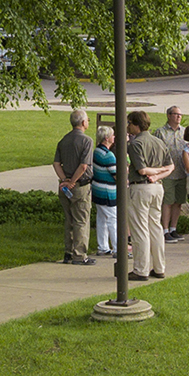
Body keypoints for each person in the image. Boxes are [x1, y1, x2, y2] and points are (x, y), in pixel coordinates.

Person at [126, 111, 173, 280]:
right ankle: (159, 267)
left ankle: (141, 269)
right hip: (157, 187)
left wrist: (155, 172)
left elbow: (141, 170)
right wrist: (160, 173)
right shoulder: (158, 142)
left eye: (130, 123)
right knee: (155, 227)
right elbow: (170, 166)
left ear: (136, 124)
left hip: (140, 188)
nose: (128, 126)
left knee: (140, 229)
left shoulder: (136, 143)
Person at [52, 109, 95, 265]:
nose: (88, 122)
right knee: (81, 220)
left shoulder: (63, 141)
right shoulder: (87, 141)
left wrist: (64, 179)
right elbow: (84, 166)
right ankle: (80, 255)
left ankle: (68, 253)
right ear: (83, 122)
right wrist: (72, 182)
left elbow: (56, 163)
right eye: (88, 120)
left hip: (64, 186)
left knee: (69, 220)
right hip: (80, 185)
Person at [153, 106, 188, 241]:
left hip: (181, 171)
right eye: (175, 114)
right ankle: (165, 229)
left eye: (180, 114)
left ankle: (173, 228)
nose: (179, 117)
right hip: (167, 173)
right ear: (168, 115)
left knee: (178, 202)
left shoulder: (184, 132)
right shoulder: (160, 132)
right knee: (167, 201)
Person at [91, 124, 119, 256]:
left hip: (97, 190)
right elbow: (117, 175)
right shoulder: (109, 156)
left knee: (101, 218)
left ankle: (102, 246)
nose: (114, 137)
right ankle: (118, 248)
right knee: (113, 219)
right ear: (107, 138)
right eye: (112, 135)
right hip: (108, 192)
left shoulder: (97, 151)